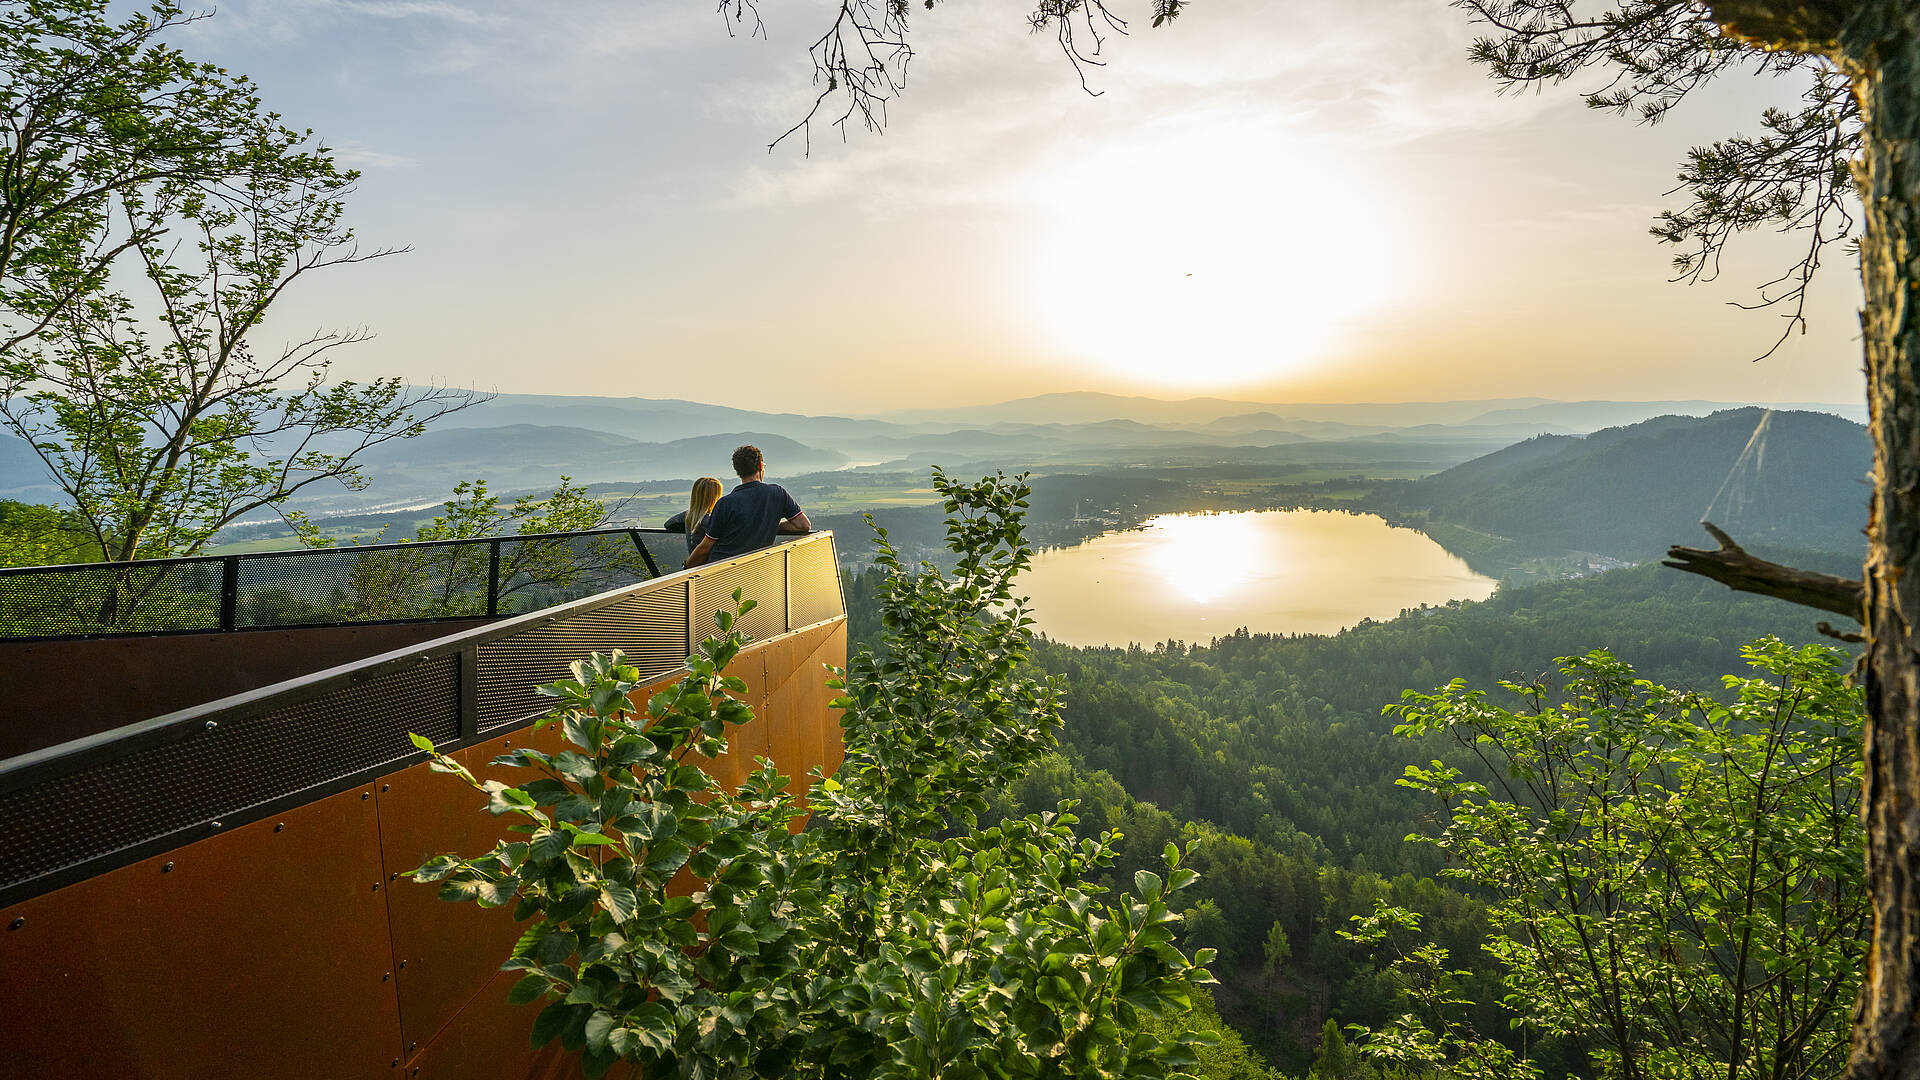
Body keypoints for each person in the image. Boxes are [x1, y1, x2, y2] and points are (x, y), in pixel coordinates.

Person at [684, 444, 810, 568]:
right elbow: (803, 525)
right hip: (754, 570)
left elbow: (705, 548)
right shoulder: (778, 493)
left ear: (737, 470)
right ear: (760, 466)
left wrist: (686, 567)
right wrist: (768, 525)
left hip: (721, 571)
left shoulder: (725, 503)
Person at [662, 476, 724, 553]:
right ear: (715, 496)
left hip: (694, 562)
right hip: (711, 562)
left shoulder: (688, 516)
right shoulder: (710, 520)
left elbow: (668, 524)